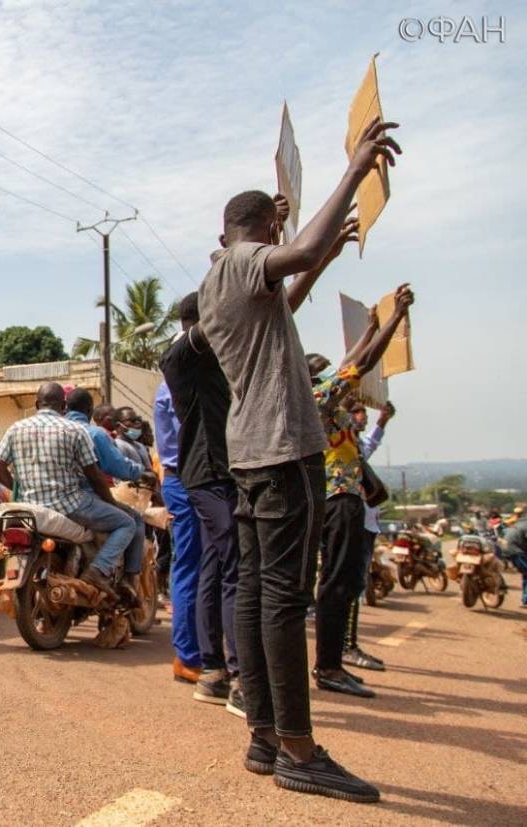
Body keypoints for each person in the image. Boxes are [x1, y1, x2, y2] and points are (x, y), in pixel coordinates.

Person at [197, 117, 401, 803]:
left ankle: (264, 735)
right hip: (282, 449)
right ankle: (298, 749)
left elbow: (289, 290)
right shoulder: (243, 262)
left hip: (253, 452)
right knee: (284, 599)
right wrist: (356, 169)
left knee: (259, 595)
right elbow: (300, 247)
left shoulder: (223, 277)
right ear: (264, 229)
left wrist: (321, 256)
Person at [311, 286, 414, 700]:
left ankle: (332, 662)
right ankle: (329, 666)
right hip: (337, 501)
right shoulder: (319, 398)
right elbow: (362, 364)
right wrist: (395, 319)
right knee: (337, 582)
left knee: (343, 580)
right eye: (324, 372)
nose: (333, 374)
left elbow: (352, 362)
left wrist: (370, 327)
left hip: (343, 500)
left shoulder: (323, 397)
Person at [160, 292, 243, 716]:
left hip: (192, 475)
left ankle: (210, 666)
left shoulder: (203, 362)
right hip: (196, 475)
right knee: (211, 566)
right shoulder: (182, 359)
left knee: (209, 566)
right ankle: (217, 664)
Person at [0, 383, 139, 603]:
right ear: (63, 406)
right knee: (127, 523)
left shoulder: (15, 428)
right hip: (70, 505)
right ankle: (98, 570)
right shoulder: (74, 430)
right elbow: (94, 476)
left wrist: (19, 494)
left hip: (29, 505)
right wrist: (112, 503)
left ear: (36, 404)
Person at [65, 388, 149, 601]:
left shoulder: (55, 429)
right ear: (89, 411)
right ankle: (121, 577)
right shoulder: (94, 434)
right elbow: (117, 467)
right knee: (132, 521)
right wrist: (141, 472)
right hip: (82, 499)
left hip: (49, 499)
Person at [154, 378, 204, 685]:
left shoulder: (173, 386)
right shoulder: (180, 386)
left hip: (185, 479)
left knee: (197, 567)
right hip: (189, 479)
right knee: (190, 566)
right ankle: (188, 657)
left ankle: (199, 653)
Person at [342, 400, 396, 671]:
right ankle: (345, 646)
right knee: (349, 585)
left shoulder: (355, 445)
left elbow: (370, 444)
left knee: (354, 585)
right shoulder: (342, 445)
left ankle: (345, 646)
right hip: (354, 522)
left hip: (365, 522)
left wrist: (382, 421)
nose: (362, 416)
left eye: (363, 411)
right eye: (356, 412)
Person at [501, 516, 527, 608]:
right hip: (516, 551)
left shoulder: (519, 523)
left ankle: (525, 599)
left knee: (526, 574)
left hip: (507, 550)